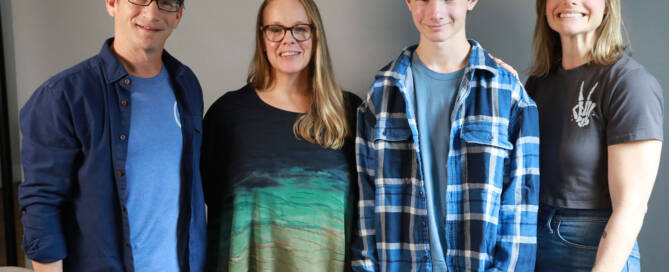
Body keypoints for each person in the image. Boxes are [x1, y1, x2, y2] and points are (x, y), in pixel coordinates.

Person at [352, 0, 541, 271]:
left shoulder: (509, 95)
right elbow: (366, 210)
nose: (436, 12)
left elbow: (520, 216)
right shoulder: (380, 95)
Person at [18, 0, 206, 271]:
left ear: (178, 15)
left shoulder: (186, 83)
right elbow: (42, 206)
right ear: (111, 3)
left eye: (165, 3)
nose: (151, 13)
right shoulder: (62, 97)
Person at [200, 0, 361, 271]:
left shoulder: (350, 113)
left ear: (315, 35)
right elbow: (204, 206)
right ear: (262, 38)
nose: (288, 40)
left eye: (300, 29)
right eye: (276, 30)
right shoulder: (227, 116)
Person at [525, 0, 663, 271]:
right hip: (533, 242)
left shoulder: (629, 84)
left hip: (593, 250)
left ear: (608, 7)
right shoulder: (537, 85)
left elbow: (631, 208)